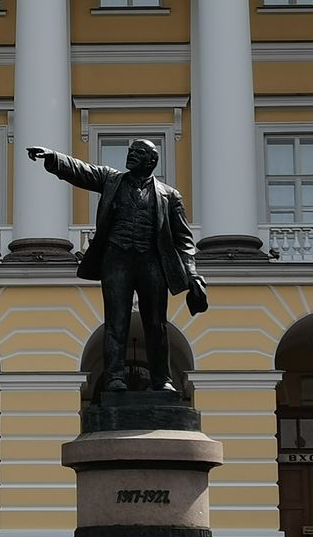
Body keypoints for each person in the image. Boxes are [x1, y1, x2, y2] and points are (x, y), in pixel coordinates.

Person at [25, 139, 210, 394]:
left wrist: (192, 274)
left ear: (151, 160)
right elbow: (82, 171)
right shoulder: (111, 179)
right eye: (130, 151)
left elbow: (184, 240)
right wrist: (54, 158)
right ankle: (114, 377)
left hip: (151, 261)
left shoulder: (169, 195)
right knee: (116, 322)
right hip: (117, 258)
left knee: (157, 323)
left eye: (138, 153)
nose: (131, 155)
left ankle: (162, 379)